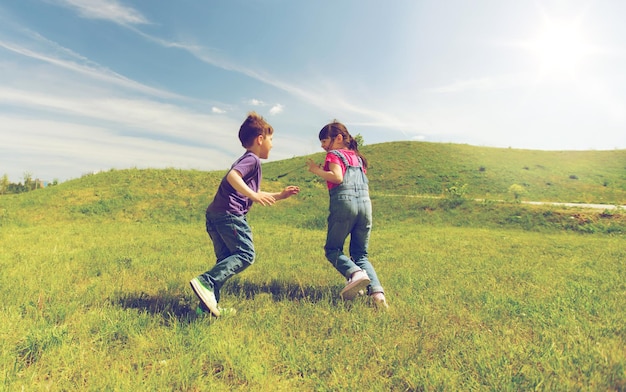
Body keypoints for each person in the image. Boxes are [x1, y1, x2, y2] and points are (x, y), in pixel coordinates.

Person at [190, 112, 300, 317]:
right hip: (230, 214)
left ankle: (205, 308)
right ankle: (206, 281)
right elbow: (233, 176)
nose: (272, 145)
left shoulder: (248, 160)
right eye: (271, 140)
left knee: (225, 261)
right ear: (260, 139)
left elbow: (253, 190)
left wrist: (280, 195)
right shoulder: (253, 160)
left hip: (215, 215)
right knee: (245, 255)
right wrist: (252, 195)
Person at [306, 121, 388, 308]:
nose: (322, 145)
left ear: (339, 138)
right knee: (360, 254)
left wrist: (316, 170)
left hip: (344, 205)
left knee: (333, 250)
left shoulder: (334, 154)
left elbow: (337, 177)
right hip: (366, 207)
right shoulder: (358, 159)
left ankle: (355, 274)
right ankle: (378, 296)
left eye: (325, 140)